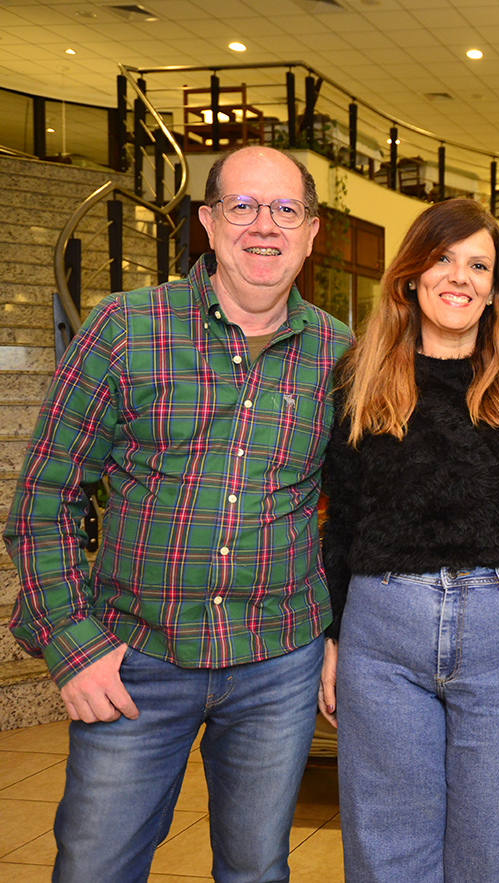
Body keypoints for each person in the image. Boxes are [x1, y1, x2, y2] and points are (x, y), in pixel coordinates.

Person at [4, 145, 351, 881]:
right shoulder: (125, 328)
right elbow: (43, 498)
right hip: (135, 659)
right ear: (208, 222)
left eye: (286, 209)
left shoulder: (341, 354)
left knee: (256, 869)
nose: (265, 225)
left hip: (278, 663)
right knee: (95, 867)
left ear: (311, 232)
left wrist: (337, 631)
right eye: (242, 206)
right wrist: (72, 641)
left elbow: (356, 513)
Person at [317, 197, 499, 882]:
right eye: (443, 258)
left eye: (478, 265)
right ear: (411, 273)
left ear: (495, 288)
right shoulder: (361, 375)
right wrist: (333, 636)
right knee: (387, 847)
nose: (460, 276)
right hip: (382, 631)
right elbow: (343, 516)